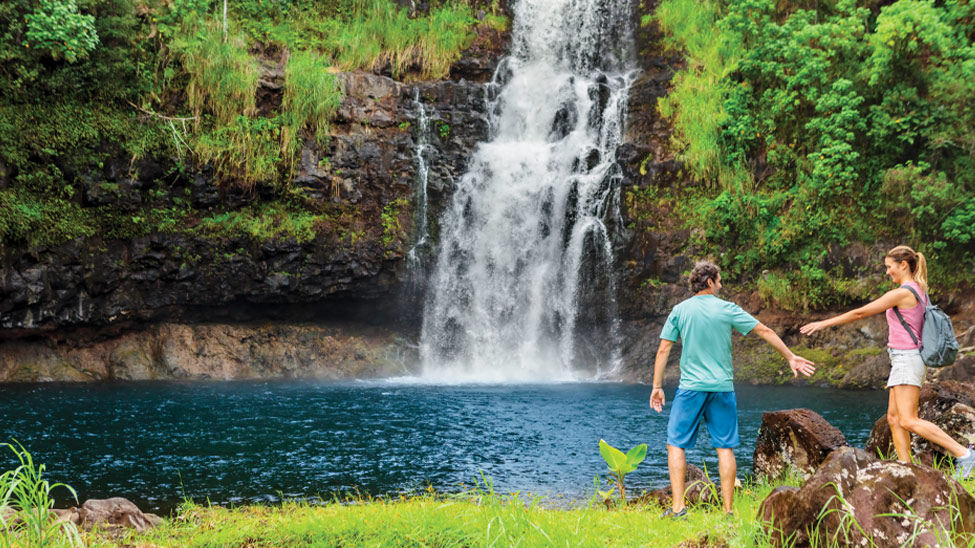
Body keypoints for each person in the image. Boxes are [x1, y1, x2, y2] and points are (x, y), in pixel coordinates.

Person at [650, 261, 816, 519]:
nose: (721, 285)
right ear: (709, 282)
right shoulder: (727, 309)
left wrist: (657, 386)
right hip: (722, 388)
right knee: (724, 448)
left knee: (675, 445)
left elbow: (663, 349)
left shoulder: (680, 311)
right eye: (719, 280)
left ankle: (678, 508)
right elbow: (764, 330)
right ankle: (728, 512)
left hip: (691, 389)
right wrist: (790, 356)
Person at [800, 245, 975, 478]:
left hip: (908, 359)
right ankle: (907, 469)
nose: (887, 272)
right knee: (894, 419)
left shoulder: (903, 293)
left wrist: (823, 323)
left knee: (909, 420)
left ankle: (965, 454)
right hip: (903, 359)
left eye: (889, 267)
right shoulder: (919, 288)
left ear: (903, 265)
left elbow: (860, 313)